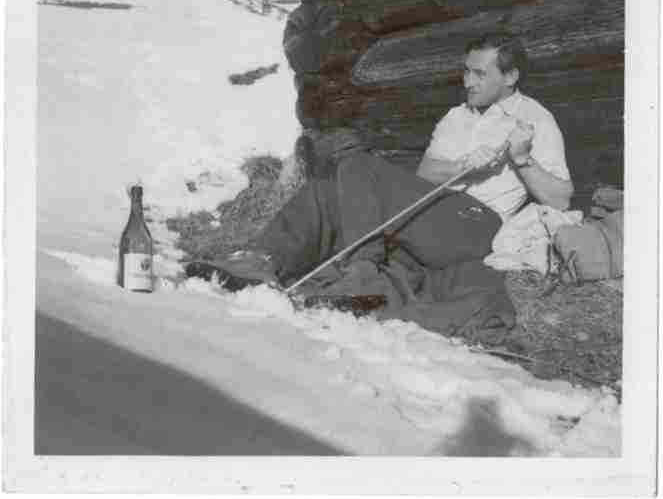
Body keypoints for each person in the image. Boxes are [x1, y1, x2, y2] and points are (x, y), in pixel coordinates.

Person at [192, 32, 573, 340]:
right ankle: (264, 260)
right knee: (326, 190)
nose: (468, 81)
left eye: (479, 73)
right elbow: (426, 173)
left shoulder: (536, 119)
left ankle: (363, 274)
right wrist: (462, 166)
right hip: (435, 211)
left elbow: (560, 197)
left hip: (477, 224)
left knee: (359, 163)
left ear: (510, 77)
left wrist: (520, 159)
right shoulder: (457, 116)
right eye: (466, 71)